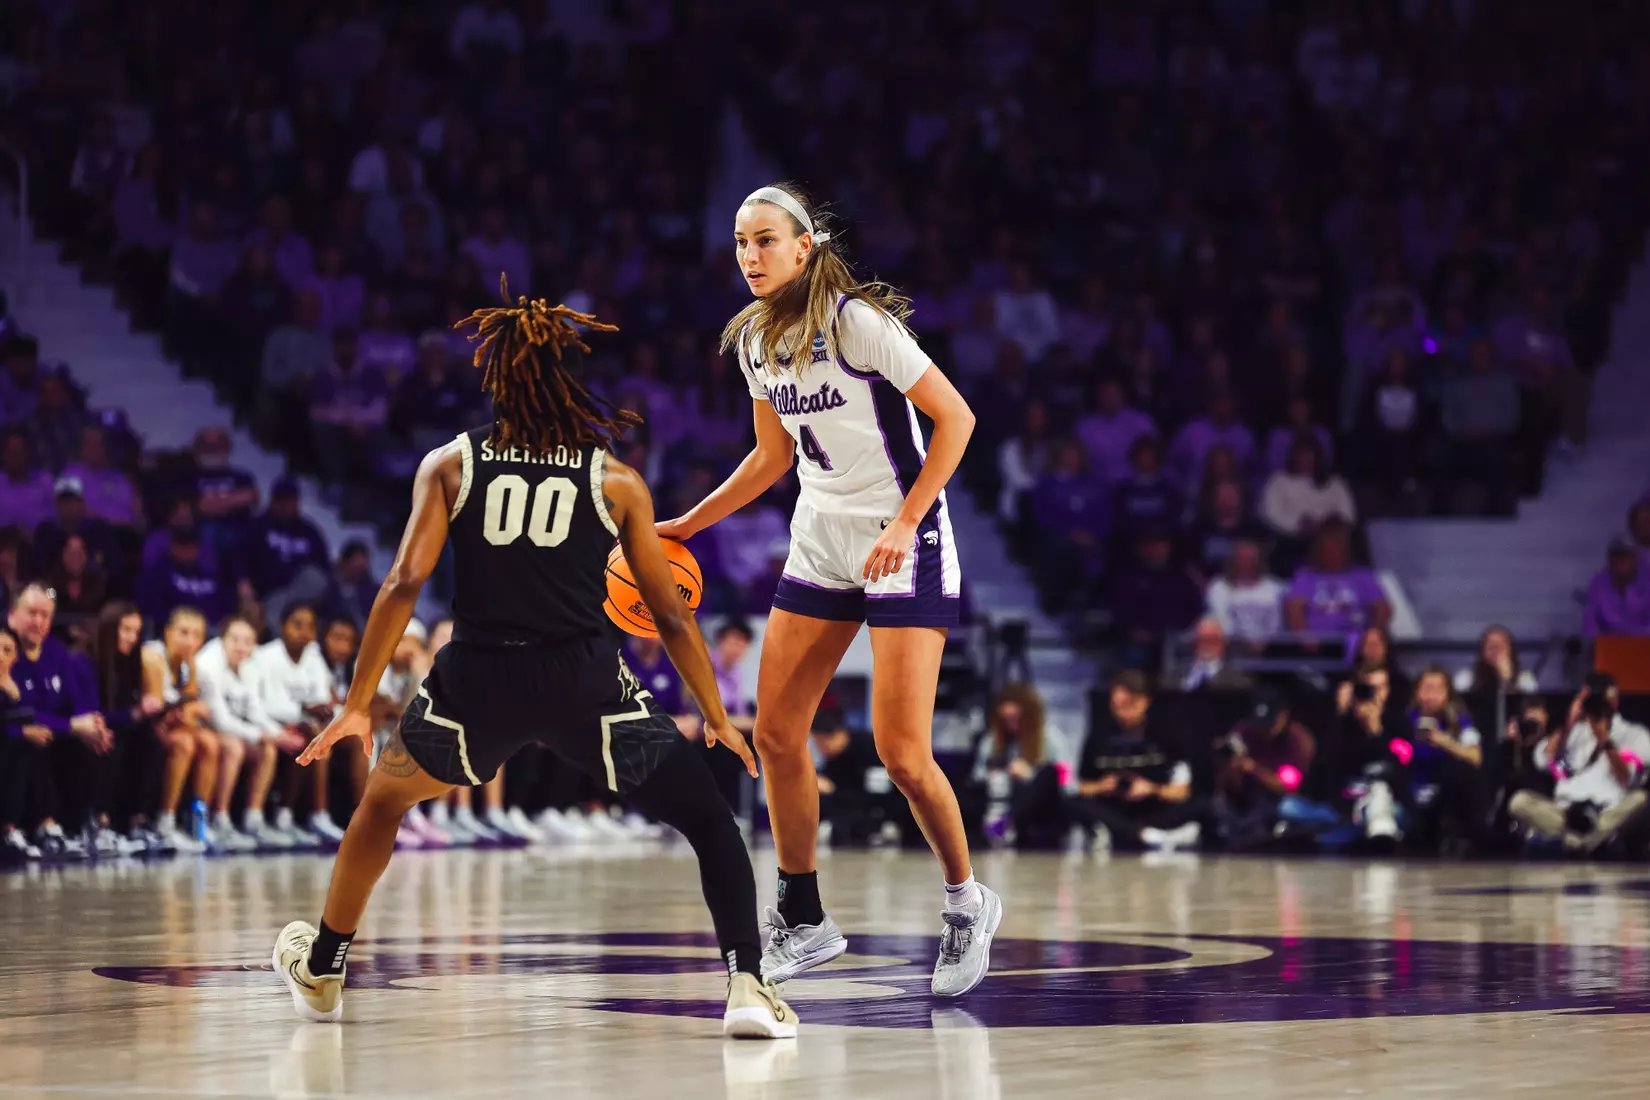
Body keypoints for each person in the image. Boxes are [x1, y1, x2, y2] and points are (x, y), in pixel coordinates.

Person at [275, 287, 793, 1040]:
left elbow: (400, 585)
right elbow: (673, 615)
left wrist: (359, 701)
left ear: (499, 378)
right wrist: (714, 715)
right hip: (584, 680)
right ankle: (747, 984)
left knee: (382, 805)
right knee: (710, 821)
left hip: (477, 680)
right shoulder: (614, 480)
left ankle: (323, 968)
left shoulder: (450, 465)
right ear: (568, 383)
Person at [657, 184, 998, 996]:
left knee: (902, 753)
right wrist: (685, 525)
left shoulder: (855, 322)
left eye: (766, 240)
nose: (750, 255)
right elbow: (771, 457)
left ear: (805, 246)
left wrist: (902, 524)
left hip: (902, 534)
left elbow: (957, 420)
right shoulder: (751, 341)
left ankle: (965, 902)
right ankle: (804, 916)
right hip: (821, 537)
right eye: (740, 242)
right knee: (775, 736)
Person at [6, 584, 109, 860]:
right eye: (31, 613)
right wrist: (73, 726)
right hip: (16, 735)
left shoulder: (57, 652)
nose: (38, 621)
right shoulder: (5, 650)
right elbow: (20, 712)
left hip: (55, 734)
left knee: (96, 742)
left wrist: (91, 723)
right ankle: (41, 827)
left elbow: (74, 702)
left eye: (45, 615)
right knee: (32, 739)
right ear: (12, 615)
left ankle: (86, 826)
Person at [196, 616, 307, 849]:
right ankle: (220, 819)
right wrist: (260, 735)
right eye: (235, 639)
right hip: (205, 727)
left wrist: (278, 735)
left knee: (268, 749)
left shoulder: (249, 666)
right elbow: (220, 721)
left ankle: (253, 820)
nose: (241, 646)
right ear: (222, 640)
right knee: (236, 747)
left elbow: (255, 711)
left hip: (231, 729)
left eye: (248, 641)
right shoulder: (208, 666)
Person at [1509, 673, 1650, 852]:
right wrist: (1568, 725)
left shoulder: (1634, 734)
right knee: (1519, 801)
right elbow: (1542, 760)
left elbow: (1626, 780)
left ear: (1613, 700)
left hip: (1605, 813)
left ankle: (1577, 842)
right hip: (1564, 814)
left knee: (1640, 799)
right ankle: (1589, 842)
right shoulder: (1572, 734)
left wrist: (1605, 741)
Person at [1065, 671, 1200, 852]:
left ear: (1145, 702)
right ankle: (1143, 835)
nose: (1122, 713)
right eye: (1116, 706)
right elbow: (1080, 786)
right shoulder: (1098, 736)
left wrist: (1152, 789)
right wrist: (1102, 786)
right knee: (1071, 803)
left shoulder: (1166, 734)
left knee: (1202, 806)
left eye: (1129, 705)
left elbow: (1183, 790)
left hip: (1153, 806)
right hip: (1112, 807)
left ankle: (1128, 832)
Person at [142, 608, 240, 852]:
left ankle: (198, 821)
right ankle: (165, 821)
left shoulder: (190, 663)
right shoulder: (153, 657)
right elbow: (161, 712)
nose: (190, 641)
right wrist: (189, 710)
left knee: (209, 741)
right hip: (145, 727)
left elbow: (187, 712)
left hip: (170, 725)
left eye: (197, 635)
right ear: (167, 633)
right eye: (183, 633)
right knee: (186, 743)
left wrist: (188, 711)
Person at [250, 602, 345, 846]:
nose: (304, 631)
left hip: (302, 725)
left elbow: (324, 700)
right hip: (267, 723)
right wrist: (304, 709)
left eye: (311, 626)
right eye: (297, 624)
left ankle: (354, 816)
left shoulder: (313, 657)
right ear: (282, 626)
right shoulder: (265, 656)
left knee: (344, 739)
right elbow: (266, 704)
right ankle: (298, 815)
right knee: (313, 737)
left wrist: (320, 709)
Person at [968, 682, 1070, 849]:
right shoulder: (991, 741)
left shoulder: (1053, 739)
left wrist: (1031, 776)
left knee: (1049, 773)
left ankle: (1006, 825)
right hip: (999, 800)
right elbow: (977, 777)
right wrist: (997, 773)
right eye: (1006, 719)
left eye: (1015, 719)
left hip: (1037, 808)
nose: (1011, 724)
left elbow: (1067, 782)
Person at [1212, 690, 1316, 849]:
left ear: (1284, 716)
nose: (1264, 729)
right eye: (1261, 723)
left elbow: (1288, 786)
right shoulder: (1245, 730)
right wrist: (1229, 764)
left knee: (1288, 807)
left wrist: (1252, 767)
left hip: (1286, 802)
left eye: (1270, 722)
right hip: (1251, 800)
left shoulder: (1299, 739)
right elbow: (1228, 779)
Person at [1455, 624, 1539, 695]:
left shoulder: (1525, 678)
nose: (1496, 648)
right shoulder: (1466, 678)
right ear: (1482, 651)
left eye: (1501, 644)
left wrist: (1506, 681)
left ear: (1511, 650)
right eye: (1490, 644)